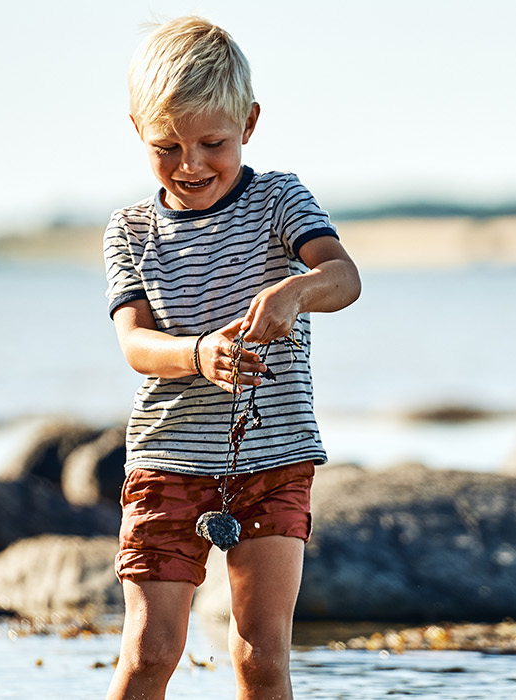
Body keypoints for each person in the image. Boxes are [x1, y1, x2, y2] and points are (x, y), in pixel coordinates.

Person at [101, 16, 360, 700]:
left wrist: (296, 291)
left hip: (274, 460)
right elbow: (135, 344)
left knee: (260, 656)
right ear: (137, 130)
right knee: (150, 652)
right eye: (167, 147)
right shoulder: (130, 231)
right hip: (167, 460)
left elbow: (344, 277)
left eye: (211, 144)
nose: (191, 165)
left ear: (248, 123)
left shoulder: (279, 200)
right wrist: (197, 353)